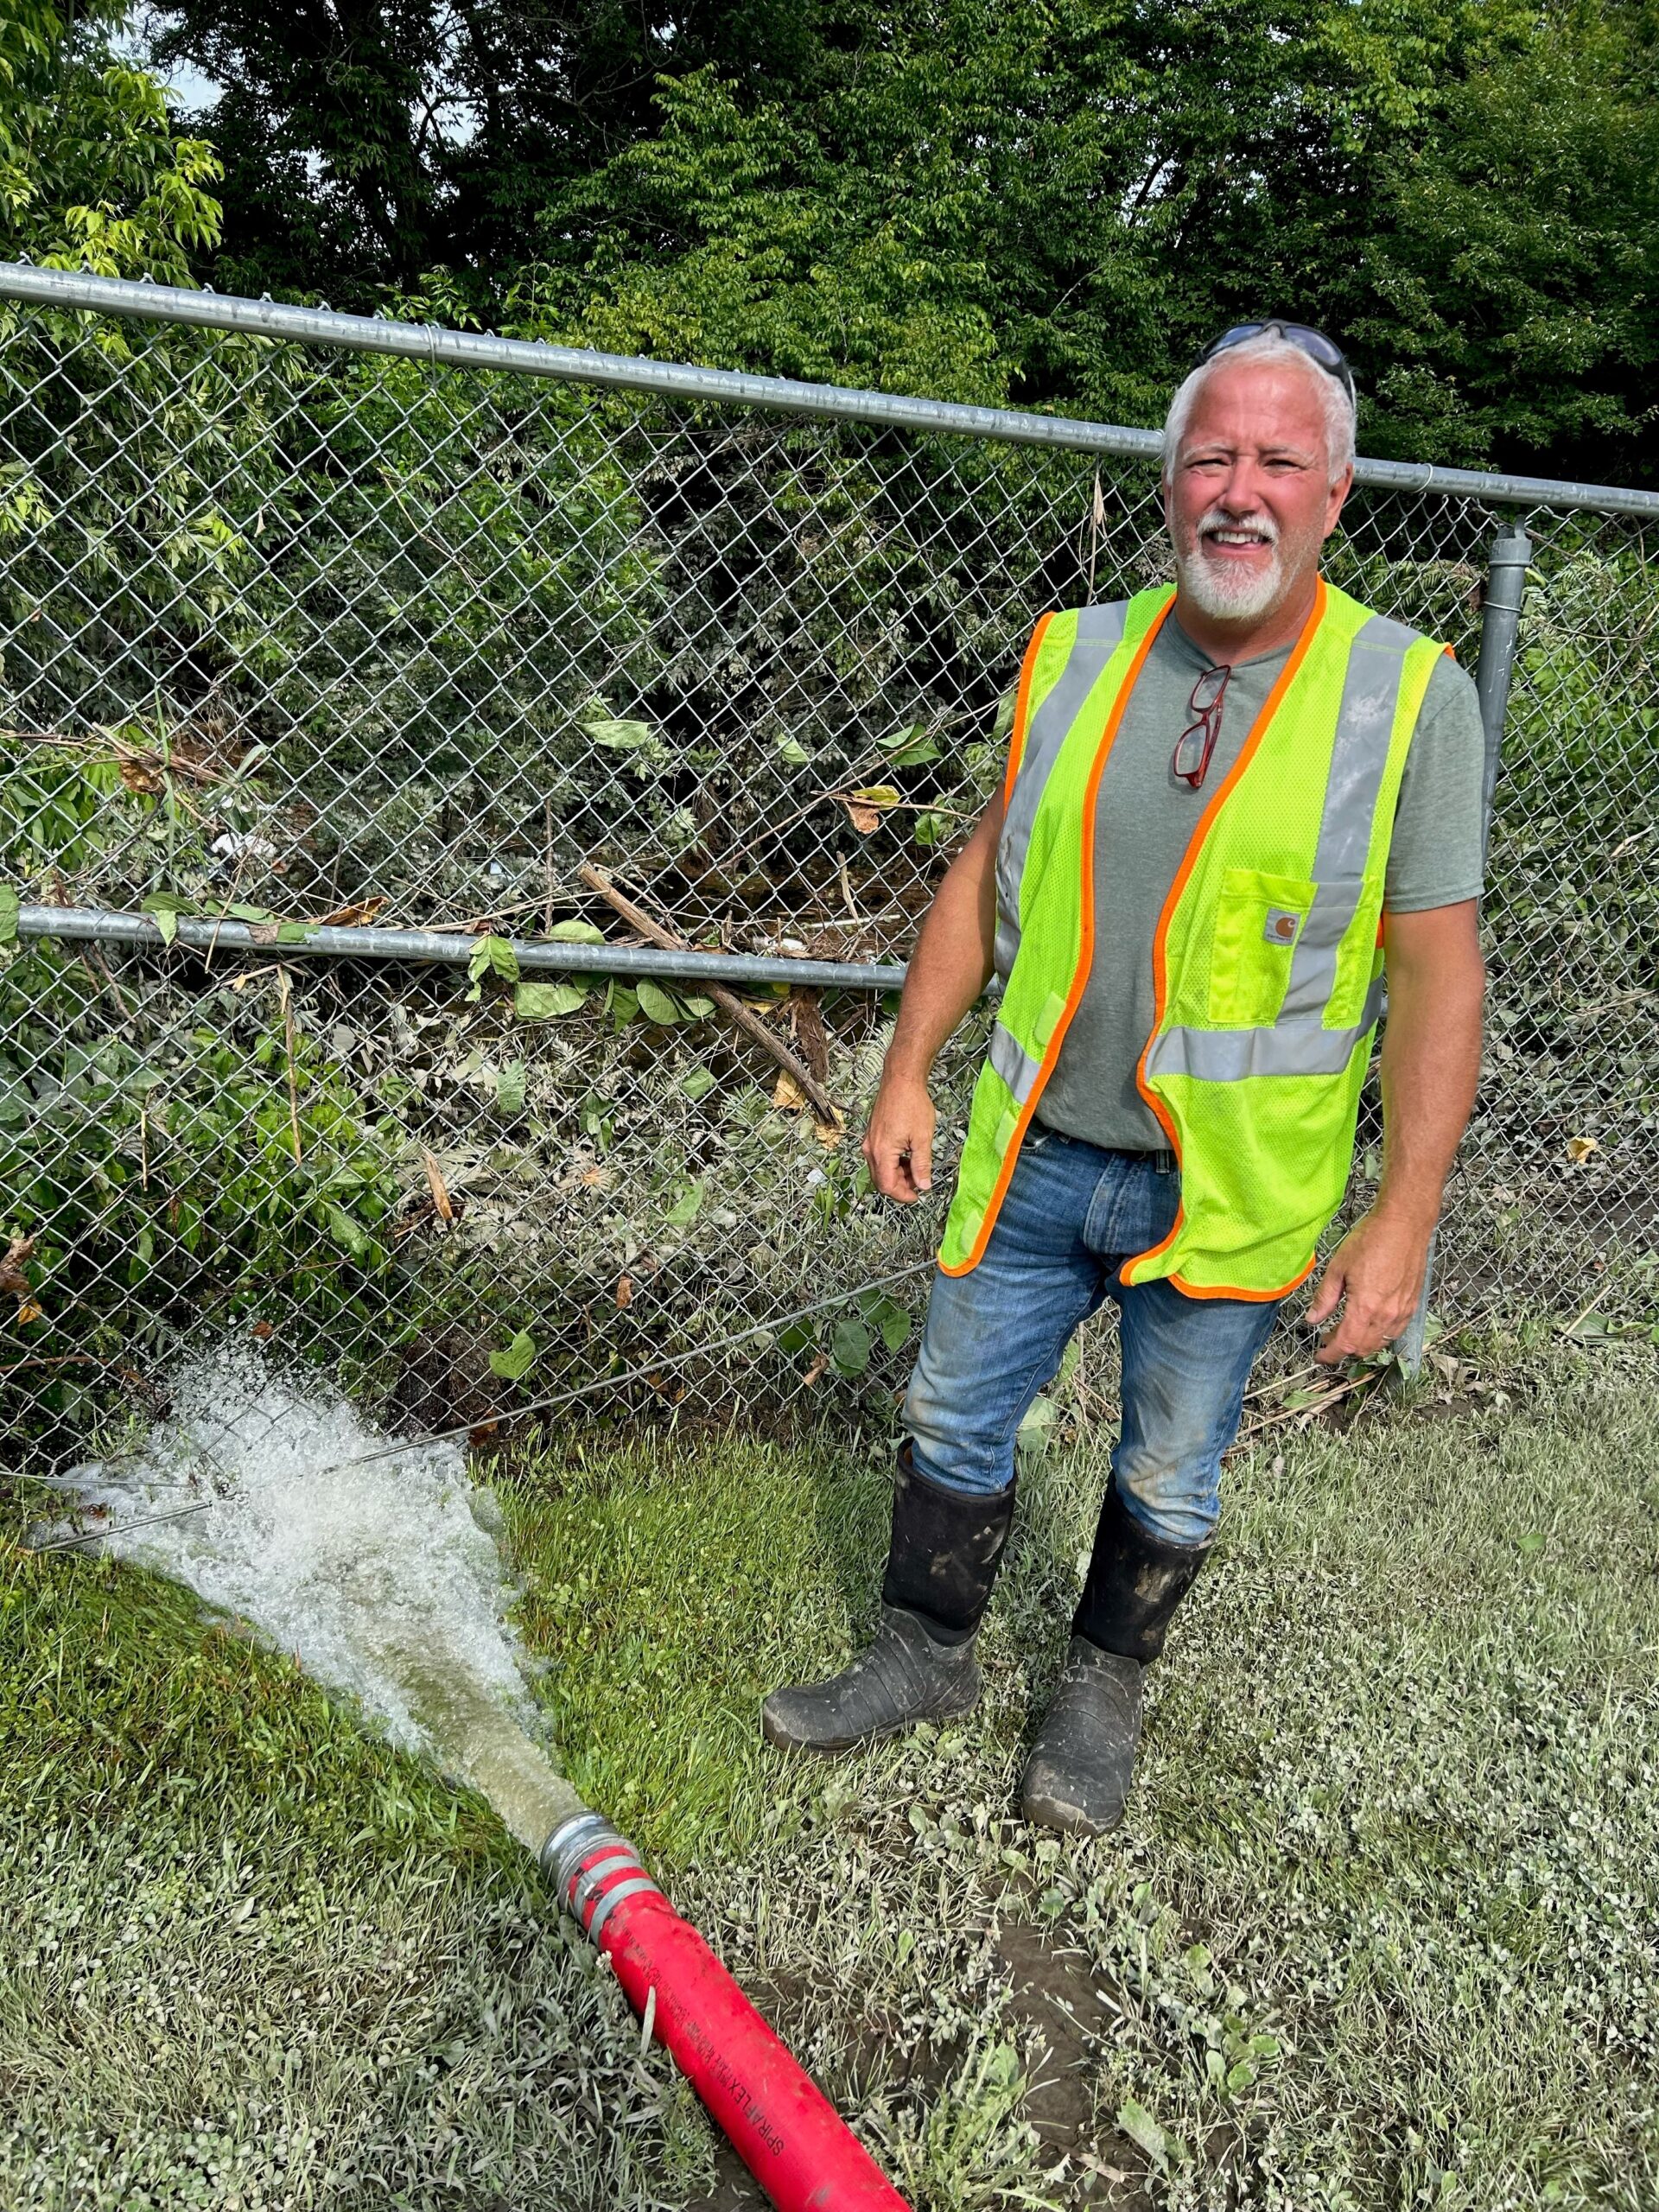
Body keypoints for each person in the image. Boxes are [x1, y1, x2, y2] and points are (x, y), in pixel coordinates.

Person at [762, 321, 1487, 1835]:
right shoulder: (1075, 654)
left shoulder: (1407, 699)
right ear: (1170, 483)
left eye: (1279, 460)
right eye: (1211, 455)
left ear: (1336, 491)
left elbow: (1437, 977)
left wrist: (1404, 1214)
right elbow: (981, 877)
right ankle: (925, 1651)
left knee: (1172, 1456)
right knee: (957, 1410)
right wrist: (907, 1069)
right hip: (1034, 1148)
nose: (1241, 490)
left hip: (1224, 1189)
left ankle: (1099, 1691)